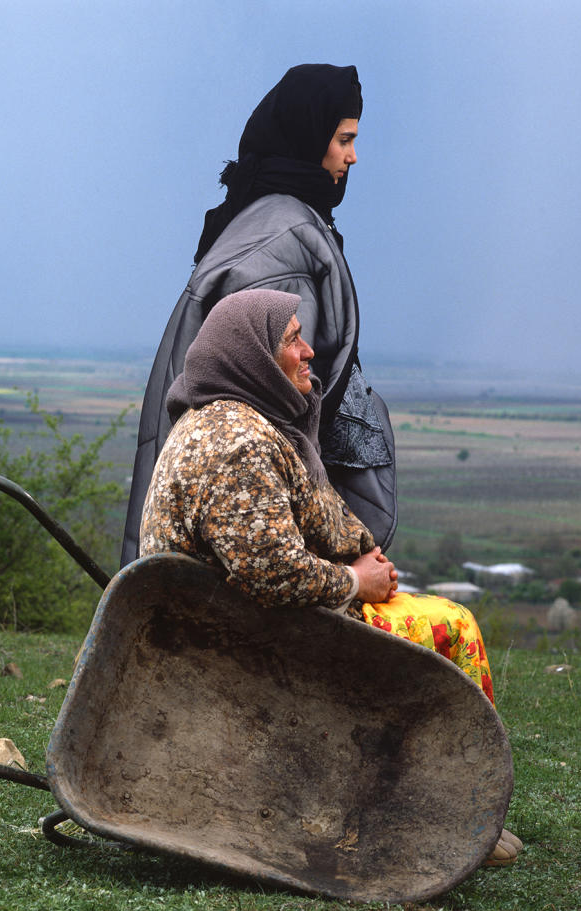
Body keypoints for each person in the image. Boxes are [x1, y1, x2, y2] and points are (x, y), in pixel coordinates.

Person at [139, 288, 523, 868]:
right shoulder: (239, 444)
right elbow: (273, 575)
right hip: (252, 642)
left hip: (240, 623)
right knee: (453, 626)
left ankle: (448, 801)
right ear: (253, 357)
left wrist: (367, 555)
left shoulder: (228, 421)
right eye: (292, 339)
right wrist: (356, 582)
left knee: (423, 612)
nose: (310, 350)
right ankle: (463, 811)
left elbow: (312, 511)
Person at [122, 63, 396, 567]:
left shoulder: (274, 222)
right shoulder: (282, 244)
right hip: (260, 522)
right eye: (343, 139)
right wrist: (328, 557)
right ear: (309, 136)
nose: (353, 156)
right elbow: (272, 402)